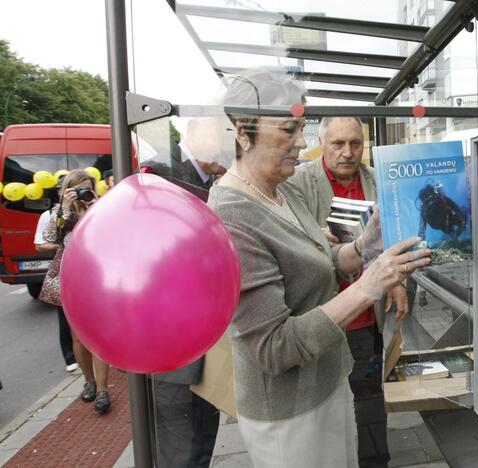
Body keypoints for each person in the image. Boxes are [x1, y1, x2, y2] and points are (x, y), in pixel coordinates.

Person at [208, 68, 431, 468]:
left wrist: (364, 245)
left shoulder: (280, 190)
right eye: (289, 130)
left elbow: (321, 262)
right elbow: (274, 348)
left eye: (303, 128)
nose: (302, 143)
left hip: (328, 383)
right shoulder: (231, 215)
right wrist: (368, 286)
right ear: (243, 131)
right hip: (291, 412)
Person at [287, 116, 408, 467]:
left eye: (355, 143)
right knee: (322, 408)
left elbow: (396, 236)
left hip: (365, 320)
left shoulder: (377, 179)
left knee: (369, 399)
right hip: (321, 315)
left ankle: (375, 461)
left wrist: (398, 279)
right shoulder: (296, 184)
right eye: (338, 144)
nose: (348, 152)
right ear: (321, 143)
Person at [148, 117, 231, 468]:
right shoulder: (162, 174)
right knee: (181, 448)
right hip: (174, 344)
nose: (229, 146)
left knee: (200, 439)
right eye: (223, 134)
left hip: (201, 338)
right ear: (195, 128)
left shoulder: (207, 178)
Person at [39, 169, 112, 414]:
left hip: (96, 278)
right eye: (77, 188)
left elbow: (110, 233)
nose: (82, 192)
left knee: (98, 336)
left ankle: (103, 390)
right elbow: (51, 237)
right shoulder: (60, 213)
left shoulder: (101, 207)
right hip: (70, 279)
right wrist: (66, 208)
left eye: (86, 187)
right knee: (78, 338)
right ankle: (89, 382)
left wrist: (94, 205)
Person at [33, 203, 77, 373]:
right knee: (65, 315)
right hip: (65, 269)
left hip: (90, 268)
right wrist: (66, 245)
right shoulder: (53, 214)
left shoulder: (95, 207)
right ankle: (70, 357)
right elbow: (40, 244)